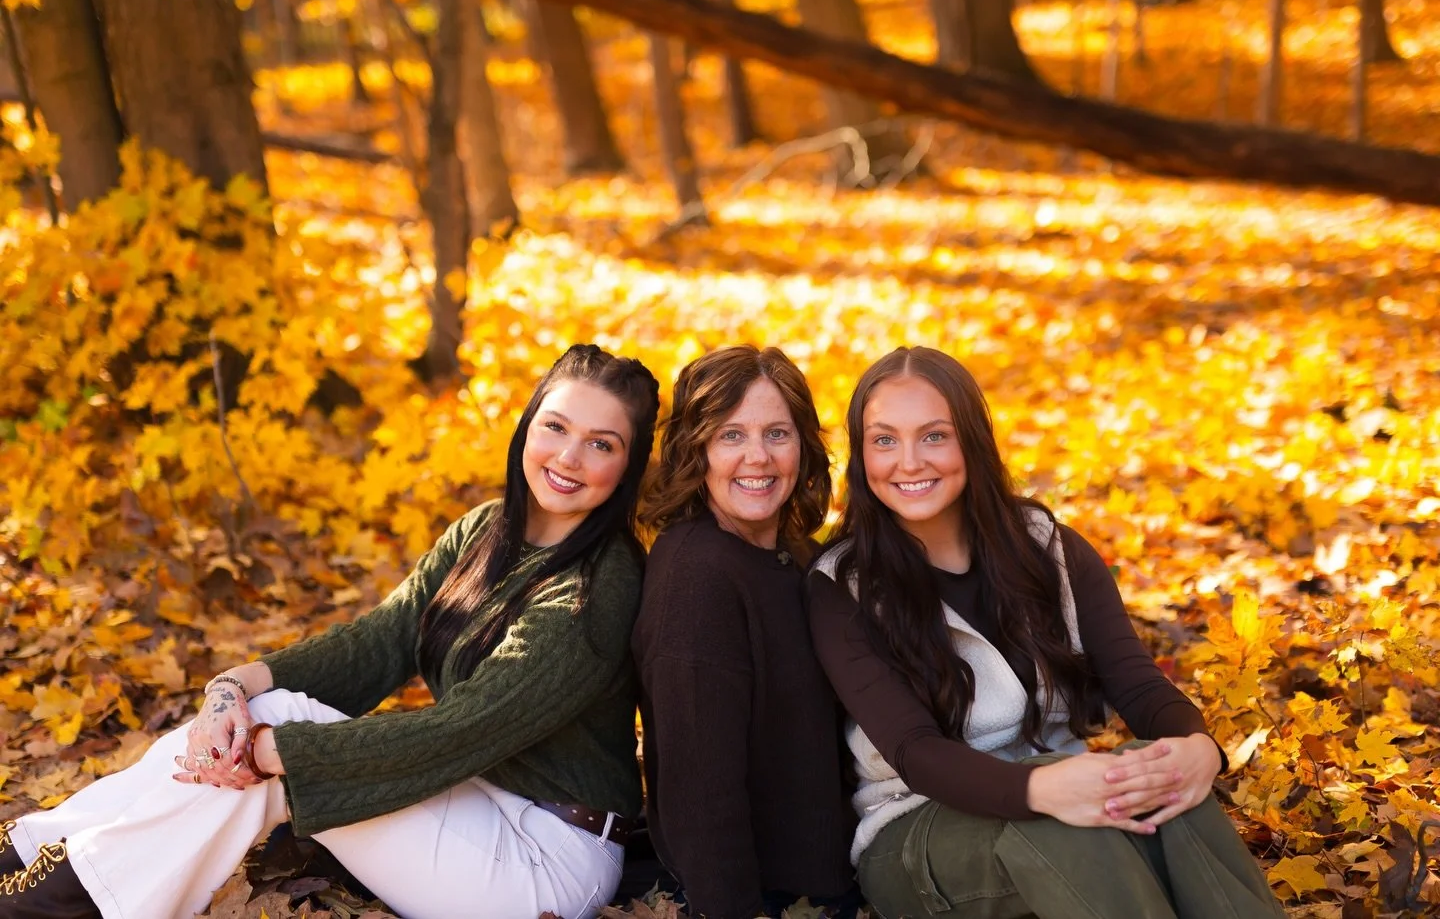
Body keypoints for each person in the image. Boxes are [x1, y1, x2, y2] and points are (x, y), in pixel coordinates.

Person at [0, 344, 662, 919]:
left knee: (273, 760)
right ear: (528, 428)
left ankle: (52, 901)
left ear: (626, 468)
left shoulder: (600, 585)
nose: (569, 457)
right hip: (473, 799)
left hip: (545, 857)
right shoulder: (486, 529)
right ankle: (32, 854)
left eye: (601, 445)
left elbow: (463, 730)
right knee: (266, 712)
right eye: (556, 427)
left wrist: (273, 751)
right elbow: (380, 640)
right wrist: (233, 687)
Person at [806, 346, 1286, 919]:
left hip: (1063, 791)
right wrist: (1044, 791)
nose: (909, 461)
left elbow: (1135, 684)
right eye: (884, 440)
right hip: (916, 833)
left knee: (1158, 776)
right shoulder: (843, 586)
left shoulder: (1044, 547)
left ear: (973, 442)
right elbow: (916, 752)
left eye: (934, 435)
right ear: (862, 456)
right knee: (1072, 826)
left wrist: (1199, 749)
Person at [632, 346, 858, 919]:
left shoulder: (797, 555)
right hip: (778, 896)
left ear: (803, 447)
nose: (758, 457)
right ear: (696, 449)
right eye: (731, 435)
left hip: (840, 870)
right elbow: (699, 787)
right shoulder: (697, 579)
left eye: (776, 434)